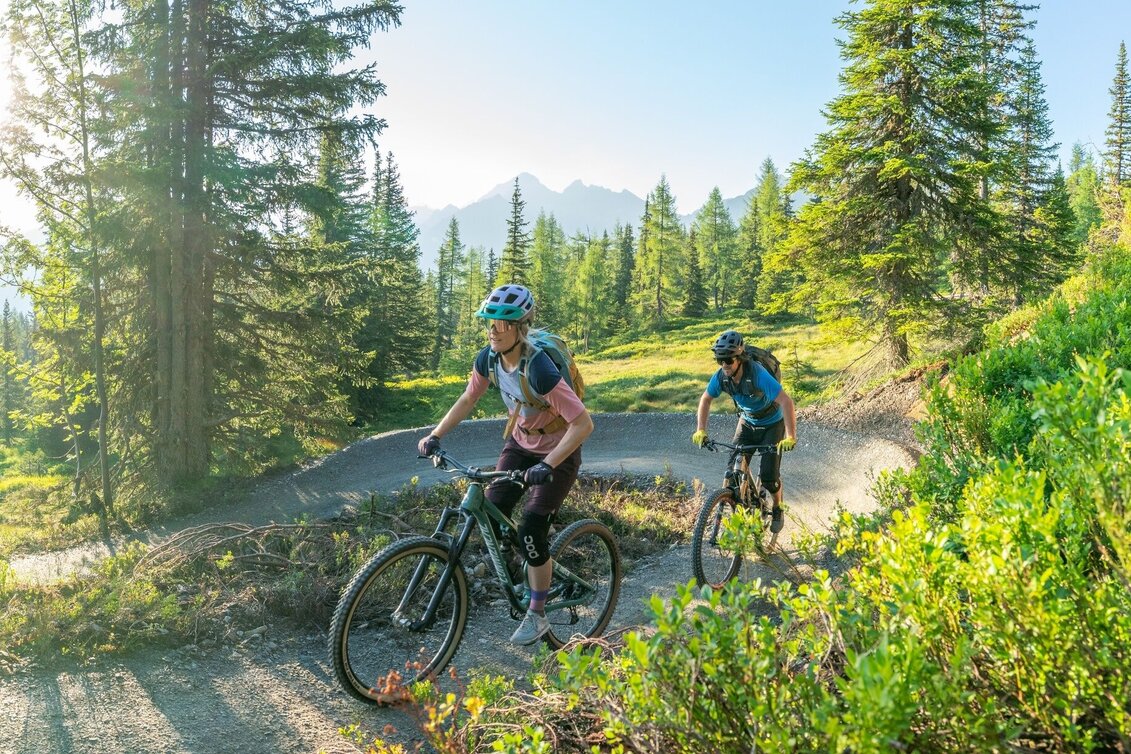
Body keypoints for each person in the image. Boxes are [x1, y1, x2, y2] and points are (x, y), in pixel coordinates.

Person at [417, 283, 594, 645]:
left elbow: (583, 424)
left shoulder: (541, 369)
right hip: (520, 441)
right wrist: (435, 435)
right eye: (490, 322)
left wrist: (547, 464)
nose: (493, 330)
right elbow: (469, 398)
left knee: (531, 529)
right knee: (493, 514)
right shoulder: (488, 359)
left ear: (520, 327)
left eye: (502, 323)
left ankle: (538, 613)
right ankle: (525, 565)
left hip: (558, 452)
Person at [691, 330, 797, 533]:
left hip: (772, 424)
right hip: (747, 422)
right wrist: (701, 430)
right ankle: (742, 506)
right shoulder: (721, 377)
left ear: (739, 358)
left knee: (769, 477)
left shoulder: (757, 374)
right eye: (719, 360)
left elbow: (786, 401)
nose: (724, 365)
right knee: (732, 473)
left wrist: (791, 436)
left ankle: (777, 507)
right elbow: (705, 399)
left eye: (728, 360)